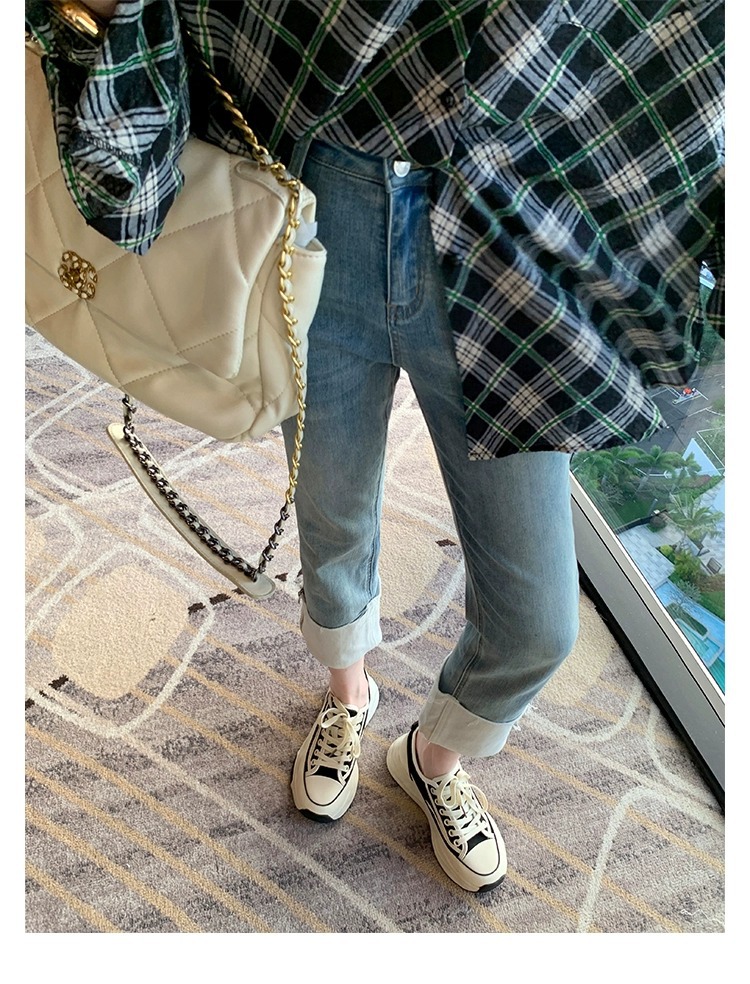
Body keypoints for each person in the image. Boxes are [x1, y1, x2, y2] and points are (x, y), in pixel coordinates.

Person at [27, 0, 724, 894]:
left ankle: (431, 757)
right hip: (321, 194)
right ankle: (348, 695)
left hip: (509, 233)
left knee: (538, 622)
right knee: (331, 510)